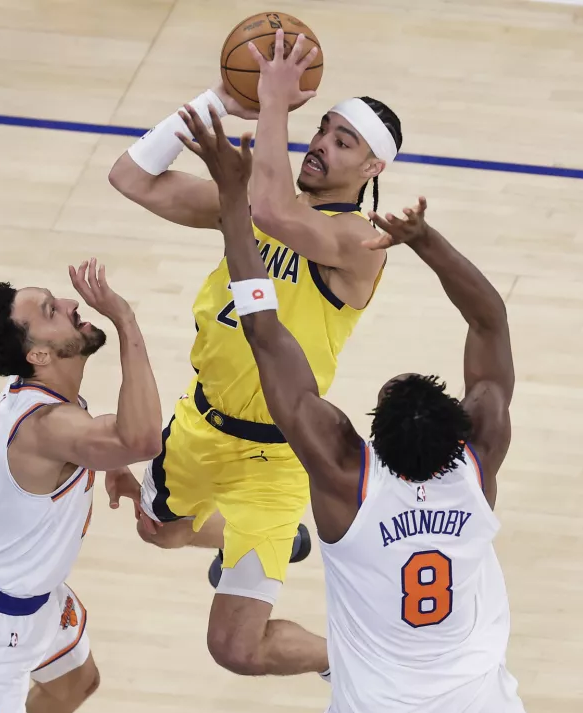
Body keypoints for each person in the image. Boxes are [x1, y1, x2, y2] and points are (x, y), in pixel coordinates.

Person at [177, 104, 524, 711]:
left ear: (370, 441)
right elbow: (490, 320)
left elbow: (265, 333)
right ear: (460, 433)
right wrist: (426, 241)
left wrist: (237, 203)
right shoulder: (477, 468)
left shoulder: (349, 484)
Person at [107, 30, 401, 676]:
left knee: (236, 649)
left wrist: (272, 102)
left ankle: (359, 662)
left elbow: (269, 207)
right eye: (320, 129)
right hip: (199, 425)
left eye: (342, 141)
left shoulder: (361, 239)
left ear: (372, 170)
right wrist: (221, 97)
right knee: (159, 530)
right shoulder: (247, 209)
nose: (320, 144)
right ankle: (259, 537)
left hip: (276, 457)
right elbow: (130, 176)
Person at [0, 259, 163, 713]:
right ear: (38, 355)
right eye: (53, 310)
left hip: (24, 594)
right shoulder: (49, 424)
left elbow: (81, 445)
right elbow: (143, 438)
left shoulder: (35, 399)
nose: (74, 304)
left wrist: (106, 464)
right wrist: (125, 319)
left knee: (75, 682)